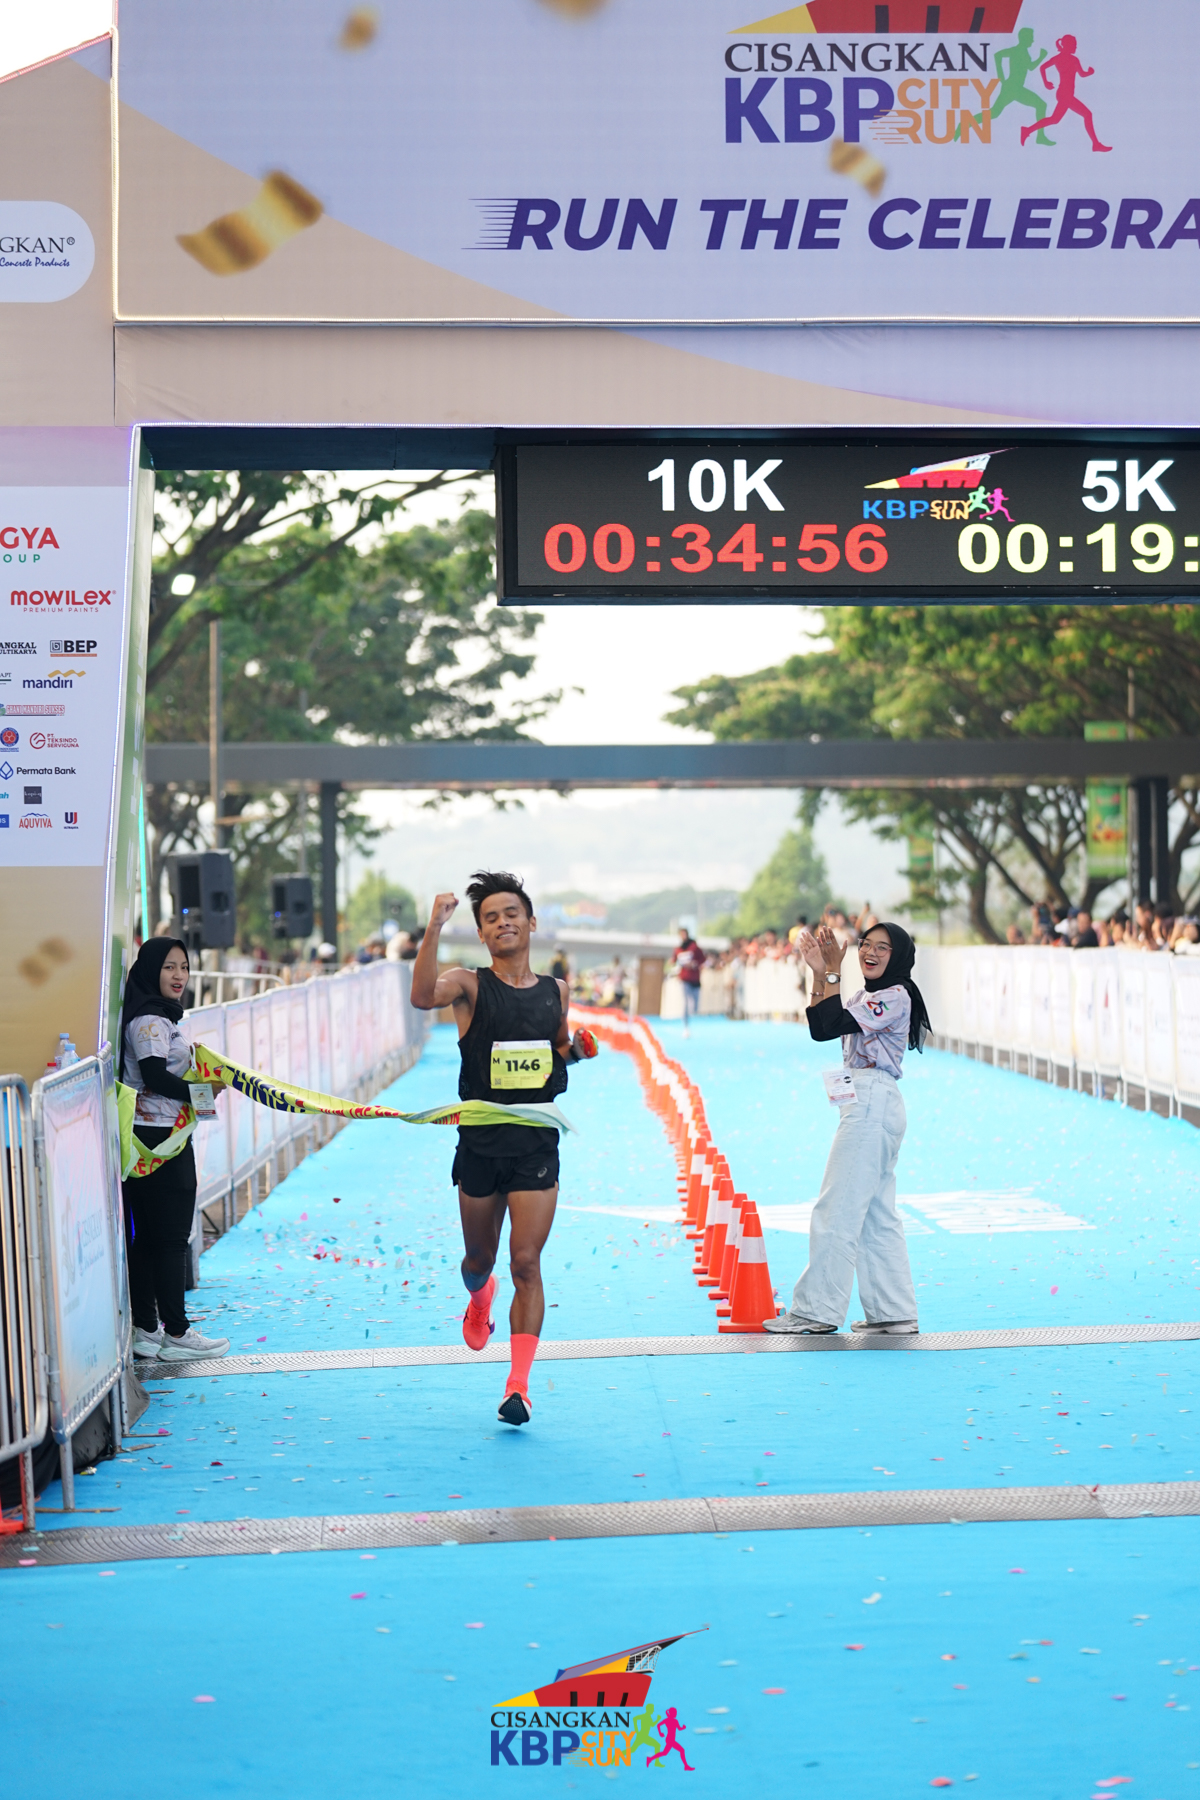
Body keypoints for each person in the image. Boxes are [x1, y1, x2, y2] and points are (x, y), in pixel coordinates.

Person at [410, 871, 597, 1427]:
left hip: (535, 1143)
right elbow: (422, 996)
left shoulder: (556, 990)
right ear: (481, 933)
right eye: (490, 918)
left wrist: (577, 1050)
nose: (503, 923)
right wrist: (433, 927)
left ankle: (518, 1387)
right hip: (480, 1144)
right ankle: (479, 1296)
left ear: (531, 922)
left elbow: (556, 1050)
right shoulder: (468, 985)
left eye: (511, 913)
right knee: (479, 1262)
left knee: (526, 1262)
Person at [765, 921, 931, 1338]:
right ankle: (893, 1312)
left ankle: (816, 1310)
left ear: (900, 956)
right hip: (867, 1101)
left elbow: (833, 1020)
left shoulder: (896, 995)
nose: (870, 953)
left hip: (872, 1102)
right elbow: (821, 1028)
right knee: (876, 1216)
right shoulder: (866, 997)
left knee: (837, 1207)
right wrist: (820, 973)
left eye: (882, 948)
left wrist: (833, 972)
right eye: (865, 944)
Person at [120, 939, 230, 1362]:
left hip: (151, 1135)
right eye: (169, 967)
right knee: (169, 1239)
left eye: (184, 966)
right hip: (159, 1140)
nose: (179, 975)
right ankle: (177, 1334)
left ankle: (147, 1330)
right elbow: (154, 1076)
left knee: (149, 1238)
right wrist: (202, 1092)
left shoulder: (156, 1015)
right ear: (151, 970)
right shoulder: (151, 1019)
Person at [670, 927, 705, 1037]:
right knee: (685, 1001)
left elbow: (702, 959)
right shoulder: (678, 949)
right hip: (684, 978)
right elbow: (674, 960)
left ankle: (694, 1021)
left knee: (695, 1003)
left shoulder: (694, 947)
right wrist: (672, 962)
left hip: (695, 978)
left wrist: (694, 963)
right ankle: (685, 1024)